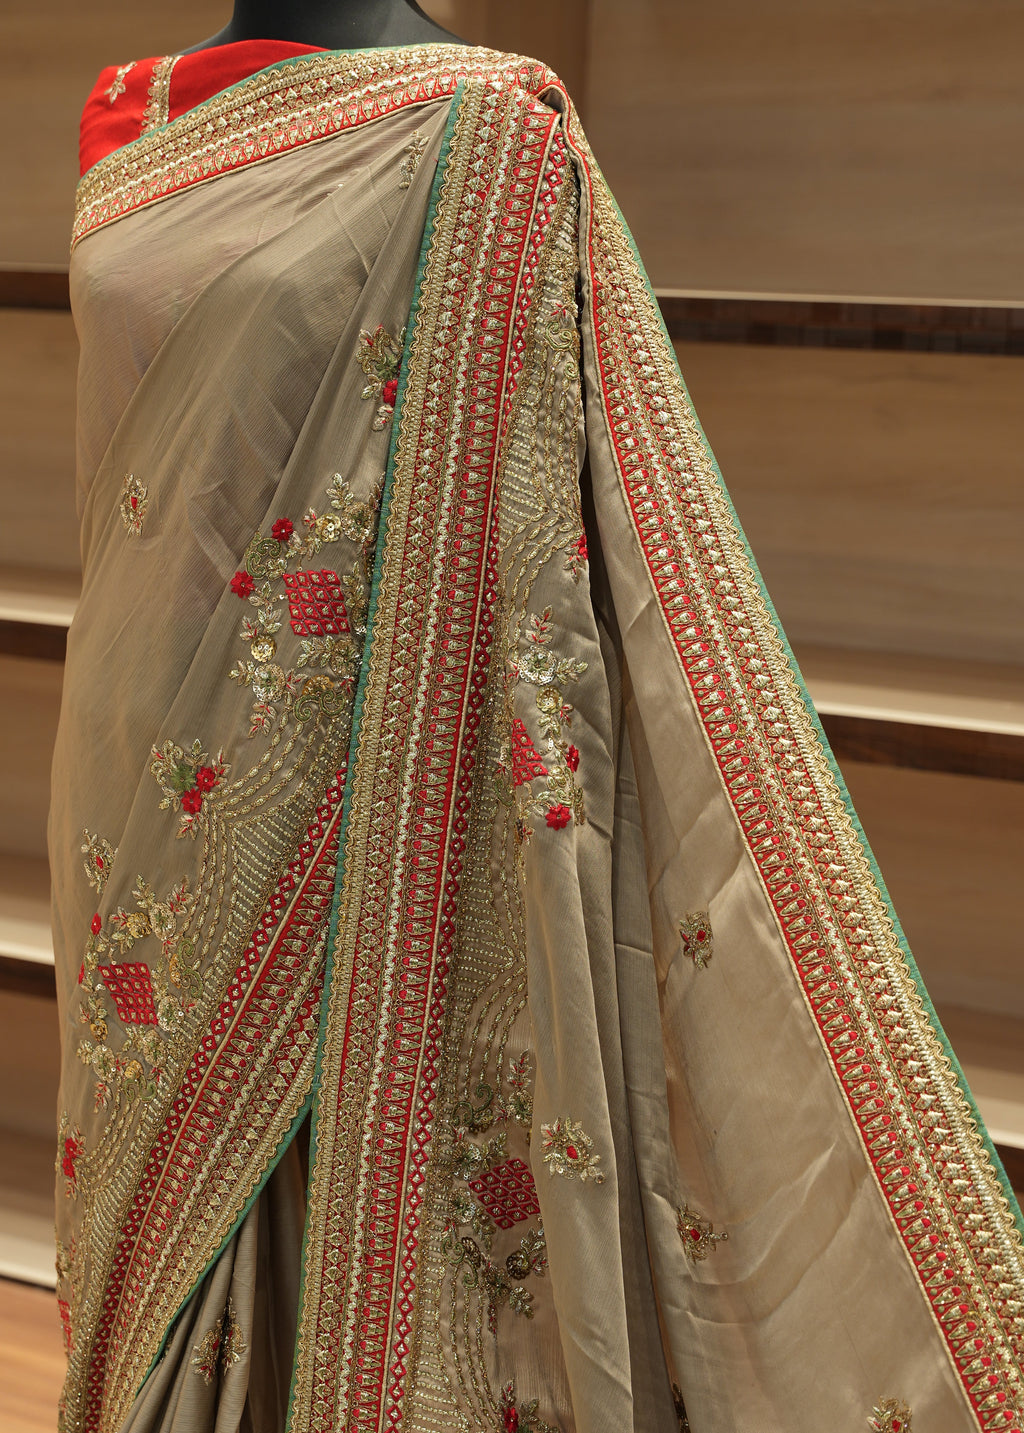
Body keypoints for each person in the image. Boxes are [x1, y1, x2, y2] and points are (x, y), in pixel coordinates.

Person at [52, 3, 1024, 1430]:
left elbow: (539, 525)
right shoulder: (131, 117)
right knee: (145, 1235)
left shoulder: (489, 132)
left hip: (373, 809)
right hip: (132, 794)